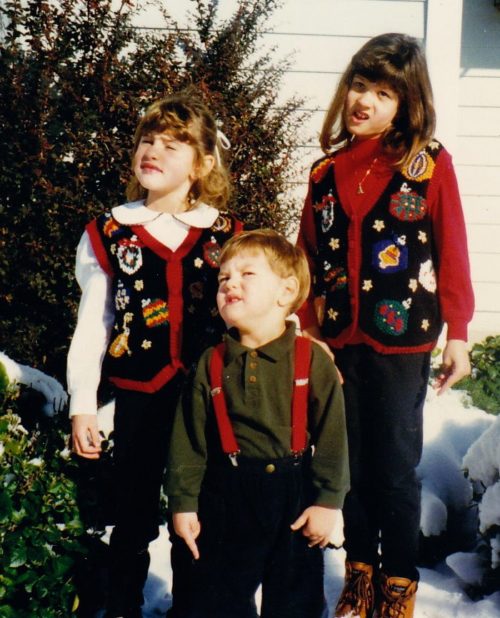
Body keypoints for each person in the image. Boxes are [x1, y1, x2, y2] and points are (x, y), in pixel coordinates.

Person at [296, 33, 474, 618]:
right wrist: (309, 330)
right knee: (346, 464)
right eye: (359, 85)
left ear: (408, 102)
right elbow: (306, 258)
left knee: (394, 470)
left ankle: (398, 585)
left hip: (403, 340)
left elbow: (453, 249)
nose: (364, 100)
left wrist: (461, 334)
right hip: (338, 341)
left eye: (382, 92)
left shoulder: (428, 164)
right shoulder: (324, 172)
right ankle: (360, 577)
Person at [67, 91, 242, 618]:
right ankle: (123, 607)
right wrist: (83, 403)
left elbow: (249, 317)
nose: (153, 151)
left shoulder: (225, 235)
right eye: (147, 140)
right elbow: (93, 327)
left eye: (172, 145)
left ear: (203, 164)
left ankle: (192, 609)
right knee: (132, 516)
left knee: (198, 515)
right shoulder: (111, 232)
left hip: (204, 404)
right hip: (139, 398)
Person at [166, 229, 349, 618]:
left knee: (295, 602)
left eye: (247, 274)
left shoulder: (311, 361)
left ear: (285, 292)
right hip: (226, 499)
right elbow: (189, 442)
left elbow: (334, 440)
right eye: (223, 278)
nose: (230, 283)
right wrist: (183, 503)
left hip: (293, 500)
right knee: (219, 600)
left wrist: (327, 502)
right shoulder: (211, 363)